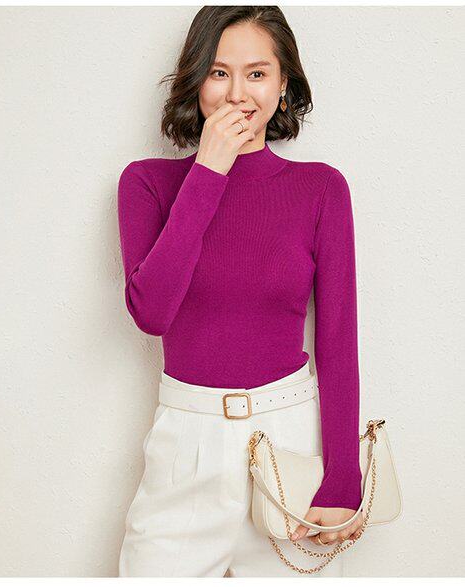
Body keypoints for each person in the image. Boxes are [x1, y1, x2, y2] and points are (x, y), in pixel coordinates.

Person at [116, 5, 364, 577]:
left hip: (290, 444)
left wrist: (342, 477)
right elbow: (152, 313)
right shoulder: (147, 184)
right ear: (196, 80)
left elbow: (338, 340)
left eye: (257, 73)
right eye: (219, 72)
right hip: (187, 442)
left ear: (283, 86)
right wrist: (208, 170)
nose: (236, 94)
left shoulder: (321, 189)